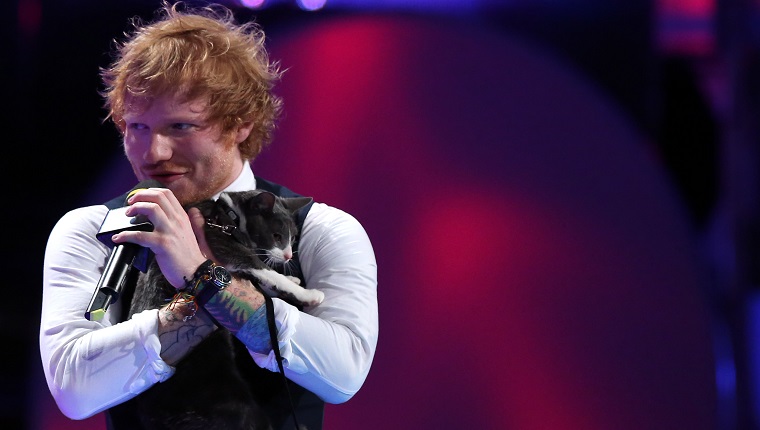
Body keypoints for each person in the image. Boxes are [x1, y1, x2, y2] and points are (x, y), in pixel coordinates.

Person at [39, 2, 378, 429]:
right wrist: (196, 297)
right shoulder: (92, 230)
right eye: (137, 127)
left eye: (181, 127)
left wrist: (202, 275)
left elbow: (343, 374)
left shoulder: (324, 230)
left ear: (242, 124)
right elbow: (73, 389)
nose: (153, 154)